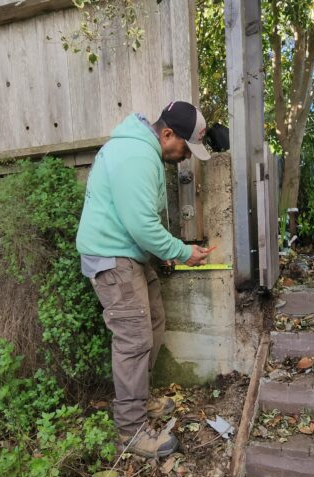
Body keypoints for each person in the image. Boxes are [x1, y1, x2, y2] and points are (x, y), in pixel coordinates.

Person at [76, 101, 212, 458]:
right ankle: (130, 433)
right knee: (134, 340)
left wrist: (165, 251)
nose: (185, 157)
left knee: (151, 323)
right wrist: (182, 252)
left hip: (127, 253)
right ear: (167, 134)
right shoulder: (137, 156)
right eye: (184, 147)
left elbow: (138, 224)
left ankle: (137, 402)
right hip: (113, 257)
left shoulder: (141, 149)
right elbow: (141, 225)